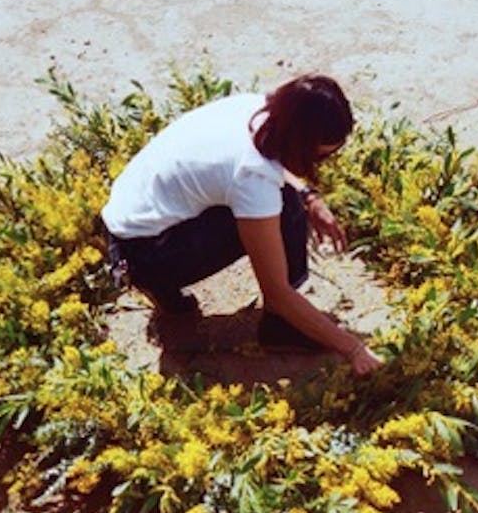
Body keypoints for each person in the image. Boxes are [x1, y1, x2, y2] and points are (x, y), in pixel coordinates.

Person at [101, 74, 383, 376]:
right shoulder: (252, 176)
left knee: (282, 197)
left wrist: (309, 196)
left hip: (126, 224)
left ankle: (166, 293)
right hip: (147, 255)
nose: (325, 163)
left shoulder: (254, 108)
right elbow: (276, 291)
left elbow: (263, 163)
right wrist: (353, 349)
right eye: (322, 156)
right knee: (283, 206)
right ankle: (279, 326)